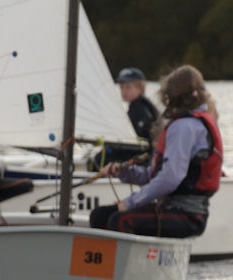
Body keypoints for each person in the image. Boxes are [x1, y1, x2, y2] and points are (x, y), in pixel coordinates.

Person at [89, 65, 223, 238]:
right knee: (100, 216)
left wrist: (130, 203)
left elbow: (170, 179)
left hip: (187, 214)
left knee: (120, 221)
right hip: (175, 209)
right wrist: (122, 171)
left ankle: (131, 265)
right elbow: (155, 175)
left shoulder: (185, 127)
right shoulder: (189, 123)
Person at [90, 67, 159, 170]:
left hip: (141, 158)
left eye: (128, 87)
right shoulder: (139, 106)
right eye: (121, 87)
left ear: (140, 88)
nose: (124, 91)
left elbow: (142, 140)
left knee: (99, 160)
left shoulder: (141, 110)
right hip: (138, 155)